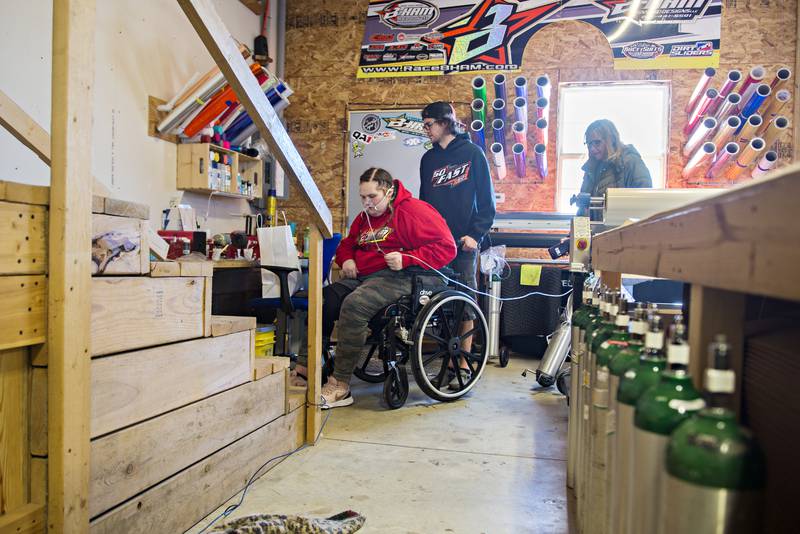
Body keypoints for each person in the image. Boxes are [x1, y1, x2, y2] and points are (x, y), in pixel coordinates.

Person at [292, 167, 456, 409]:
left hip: (405, 276)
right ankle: (306, 369)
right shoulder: (364, 218)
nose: (367, 203)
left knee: (355, 305)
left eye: (372, 197)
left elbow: (447, 248)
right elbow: (347, 245)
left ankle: (340, 385)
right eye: (363, 197)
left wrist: (406, 258)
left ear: (388, 191)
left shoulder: (414, 211)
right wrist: (345, 259)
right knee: (324, 299)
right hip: (366, 276)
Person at [419, 101, 495, 386]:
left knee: (465, 303)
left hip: (464, 244)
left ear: (445, 123)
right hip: (435, 245)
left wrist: (475, 235)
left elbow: (487, 204)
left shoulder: (473, 155)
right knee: (431, 301)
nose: (426, 130)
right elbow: (424, 204)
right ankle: (441, 356)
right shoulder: (428, 160)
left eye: (429, 125)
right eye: (424, 125)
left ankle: (462, 362)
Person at [578, 119, 652, 214]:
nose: (592, 148)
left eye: (597, 142)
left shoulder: (629, 162)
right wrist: (579, 226)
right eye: (589, 144)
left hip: (623, 227)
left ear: (611, 139)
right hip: (597, 228)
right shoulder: (591, 169)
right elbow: (583, 206)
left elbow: (644, 201)